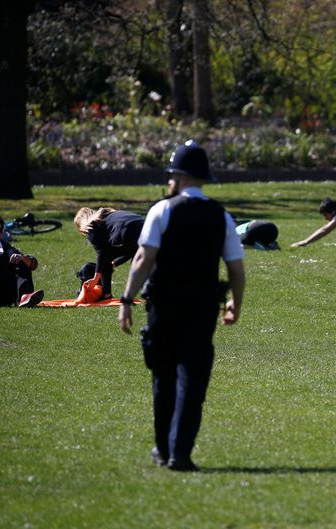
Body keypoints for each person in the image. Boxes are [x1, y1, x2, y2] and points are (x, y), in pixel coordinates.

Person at [118, 140, 245, 472]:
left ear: (179, 175)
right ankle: (181, 453)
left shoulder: (162, 210)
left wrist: (127, 299)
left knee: (163, 376)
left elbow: (144, 257)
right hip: (202, 307)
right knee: (193, 379)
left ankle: (163, 449)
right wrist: (236, 303)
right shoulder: (221, 216)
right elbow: (235, 268)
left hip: (163, 304)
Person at [73, 207, 144, 299]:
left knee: (105, 262)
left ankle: (106, 294)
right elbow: (131, 249)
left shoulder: (90, 226)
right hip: (146, 227)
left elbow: (102, 255)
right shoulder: (108, 216)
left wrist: (95, 278)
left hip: (127, 232)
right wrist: (115, 263)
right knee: (140, 268)